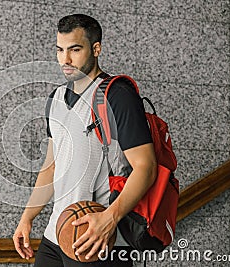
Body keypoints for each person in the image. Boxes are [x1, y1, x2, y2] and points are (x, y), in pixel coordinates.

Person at [13, 14, 157, 267]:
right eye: (60, 50)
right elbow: (51, 167)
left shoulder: (117, 96)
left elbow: (146, 168)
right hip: (57, 234)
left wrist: (109, 219)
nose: (65, 60)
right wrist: (27, 218)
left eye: (75, 50)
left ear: (96, 49)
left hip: (98, 238)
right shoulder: (55, 98)